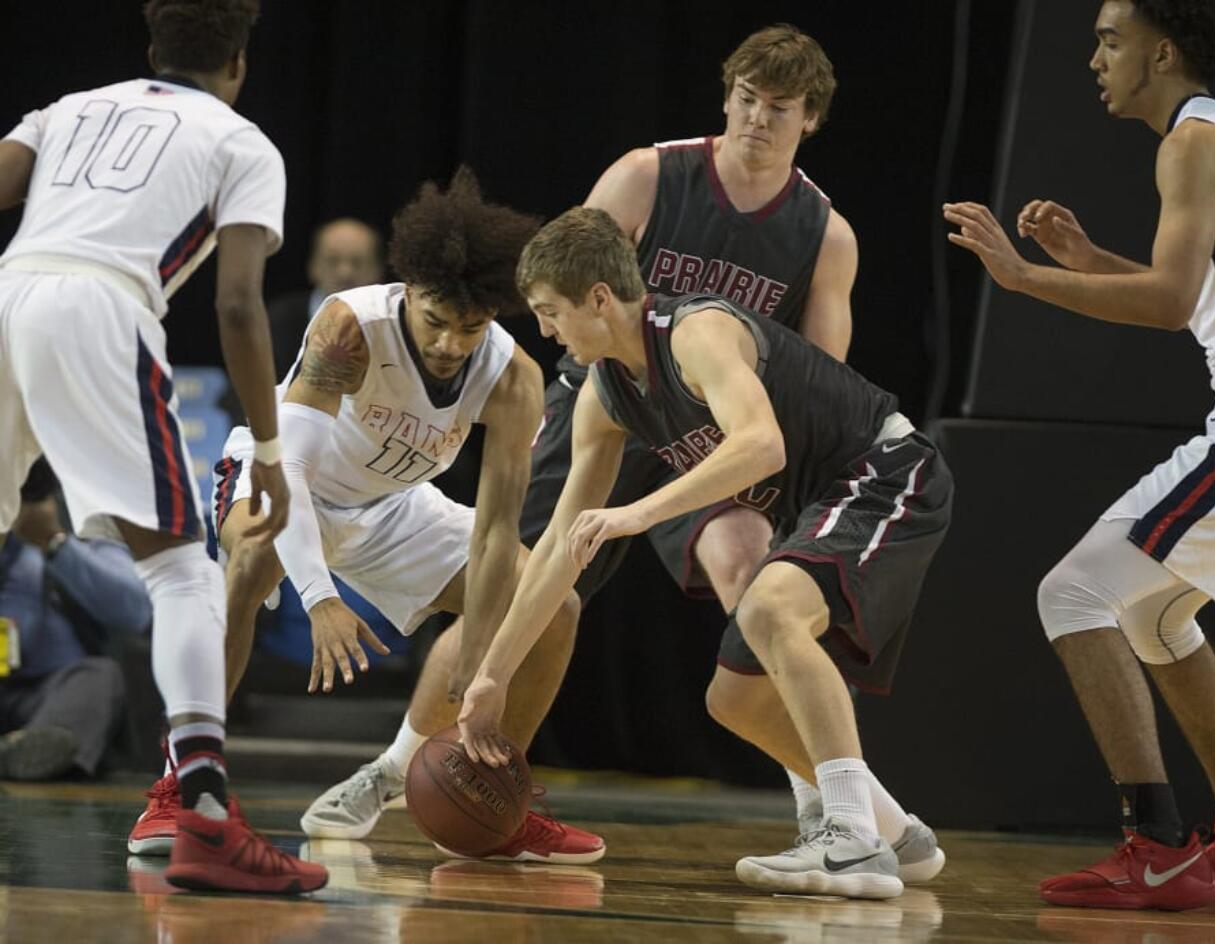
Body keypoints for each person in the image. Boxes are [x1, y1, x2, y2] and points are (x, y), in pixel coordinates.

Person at [315, 23, 887, 850]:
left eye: (780, 108)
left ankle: (828, 805)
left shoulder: (826, 234)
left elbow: (823, 373)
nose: (758, 119)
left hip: (712, 429)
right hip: (606, 405)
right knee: (516, 587)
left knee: (760, 587)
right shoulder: (650, 173)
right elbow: (555, 279)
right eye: (747, 99)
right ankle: (398, 767)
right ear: (726, 97)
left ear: (812, 120)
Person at [457, 206, 953, 899]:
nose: (545, 332)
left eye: (549, 312)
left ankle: (853, 842)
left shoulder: (696, 331)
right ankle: (898, 833)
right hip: (819, 501)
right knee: (736, 700)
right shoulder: (606, 396)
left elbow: (762, 444)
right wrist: (493, 674)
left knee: (772, 612)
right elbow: (558, 552)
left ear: (599, 298)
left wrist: (639, 511)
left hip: (885, 471)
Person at [129, 168, 604, 864]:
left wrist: (478, 669)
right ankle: (181, 784)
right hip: (286, 480)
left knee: (553, 604)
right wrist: (319, 598)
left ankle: (501, 795)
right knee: (256, 557)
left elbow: (498, 527)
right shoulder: (351, 327)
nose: (448, 343)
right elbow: (290, 470)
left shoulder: (510, 377)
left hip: (391, 505)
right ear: (409, 292)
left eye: (468, 327)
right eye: (436, 320)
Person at [0, 0, 325, 894]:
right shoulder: (242, 140)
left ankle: (181, 810)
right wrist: (265, 446)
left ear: (149, 48)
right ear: (239, 64)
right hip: (99, 307)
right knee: (184, 571)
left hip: (8, 290)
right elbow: (235, 304)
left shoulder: (66, 108)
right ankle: (206, 816)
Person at [944, 0, 1215, 912]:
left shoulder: (1192, 141)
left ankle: (1158, 846)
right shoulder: (1206, 135)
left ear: (1164, 50)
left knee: (1073, 592)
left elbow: (1166, 301)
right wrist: (1091, 257)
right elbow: (1187, 299)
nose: (1096, 57)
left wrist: (1027, 278)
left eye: (1112, 39)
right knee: (1153, 617)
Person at [0, 460, 151, 781]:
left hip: (48, 692)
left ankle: (26, 752)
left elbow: (134, 609)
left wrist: (54, 542)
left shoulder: (81, 509)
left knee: (98, 675)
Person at [266, 218, 384, 376]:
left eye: (357, 262)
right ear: (313, 266)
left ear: (378, 270)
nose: (345, 273)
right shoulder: (278, 319)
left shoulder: (391, 325)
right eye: (333, 261)